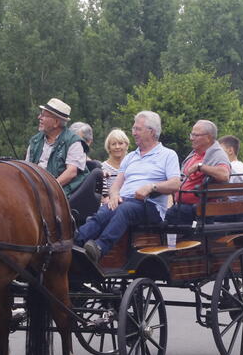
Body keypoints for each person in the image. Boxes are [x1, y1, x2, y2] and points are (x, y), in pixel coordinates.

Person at [75, 111, 181, 262]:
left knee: (125, 209)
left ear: (151, 131)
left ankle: (99, 247)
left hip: (150, 206)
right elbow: (116, 185)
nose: (134, 132)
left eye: (138, 129)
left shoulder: (168, 155)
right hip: (125, 201)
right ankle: (75, 242)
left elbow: (175, 184)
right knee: (104, 211)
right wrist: (114, 195)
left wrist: (151, 187)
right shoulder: (130, 157)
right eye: (134, 129)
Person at [165, 120, 231, 225]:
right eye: (192, 134)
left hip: (197, 210)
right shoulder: (195, 153)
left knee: (159, 219)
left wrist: (200, 167)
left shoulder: (217, 154)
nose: (191, 138)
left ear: (208, 137)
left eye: (195, 135)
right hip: (183, 206)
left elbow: (224, 175)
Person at [26, 98, 88, 197]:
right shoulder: (35, 141)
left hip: (62, 193)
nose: (39, 117)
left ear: (56, 122)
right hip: (35, 189)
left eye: (44, 115)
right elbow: (26, 167)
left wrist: (48, 188)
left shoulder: (74, 142)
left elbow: (71, 172)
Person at [100, 129, 130, 204]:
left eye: (120, 143)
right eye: (113, 144)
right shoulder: (102, 167)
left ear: (126, 145)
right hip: (108, 205)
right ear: (109, 147)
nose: (117, 147)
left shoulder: (132, 166)